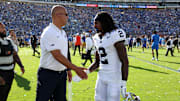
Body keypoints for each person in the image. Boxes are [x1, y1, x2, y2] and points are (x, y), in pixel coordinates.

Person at [36, 5, 88, 101]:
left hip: (61, 74)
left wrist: (68, 69)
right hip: (48, 74)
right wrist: (75, 68)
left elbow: (65, 52)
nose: (67, 17)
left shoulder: (63, 32)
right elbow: (57, 55)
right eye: (66, 14)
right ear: (57, 15)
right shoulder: (49, 32)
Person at [87, 12, 129, 101]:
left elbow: (124, 60)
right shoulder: (96, 38)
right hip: (101, 76)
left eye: (96, 23)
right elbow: (97, 62)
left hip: (114, 77)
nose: (94, 26)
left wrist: (123, 83)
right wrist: (85, 72)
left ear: (104, 23)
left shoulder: (116, 34)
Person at [0, 22, 25, 101]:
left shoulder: (8, 41)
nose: (4, 30)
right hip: (1, 73)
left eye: (4, 28)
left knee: (5, 95)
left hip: (10, 72)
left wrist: (21, 66)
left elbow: (14, 54)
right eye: (2, 28)